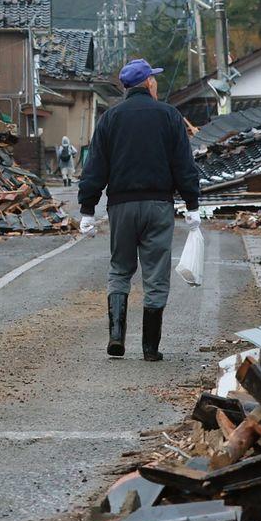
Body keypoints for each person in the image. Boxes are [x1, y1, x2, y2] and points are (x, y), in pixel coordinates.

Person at [76, 59, 200, 362]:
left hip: (121, 206)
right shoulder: (170, 116)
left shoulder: (110, 119)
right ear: (148, 83)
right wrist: (192, 204)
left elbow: (95, 167)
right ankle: (149, 347)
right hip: (159, 206)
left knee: (120, 269)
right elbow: (184, 165)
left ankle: (116, 336)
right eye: (154, 79)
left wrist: (88, 209)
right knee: (156, 273)